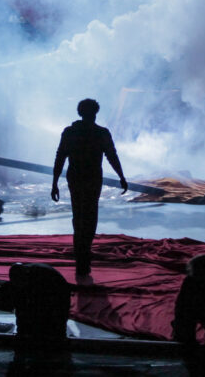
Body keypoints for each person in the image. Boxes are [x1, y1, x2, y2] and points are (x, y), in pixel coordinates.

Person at [51, 98, 127, 277]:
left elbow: (60, 157)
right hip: (92, 179)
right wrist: (121, 176)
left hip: (75, 178)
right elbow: (112, 156)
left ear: (80, 112)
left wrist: (54, 183)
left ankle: (81, 260)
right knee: (90, 218)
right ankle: (84, 258)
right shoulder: (101, 133)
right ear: (95, 113)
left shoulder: (70, 132)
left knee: (78, 217)